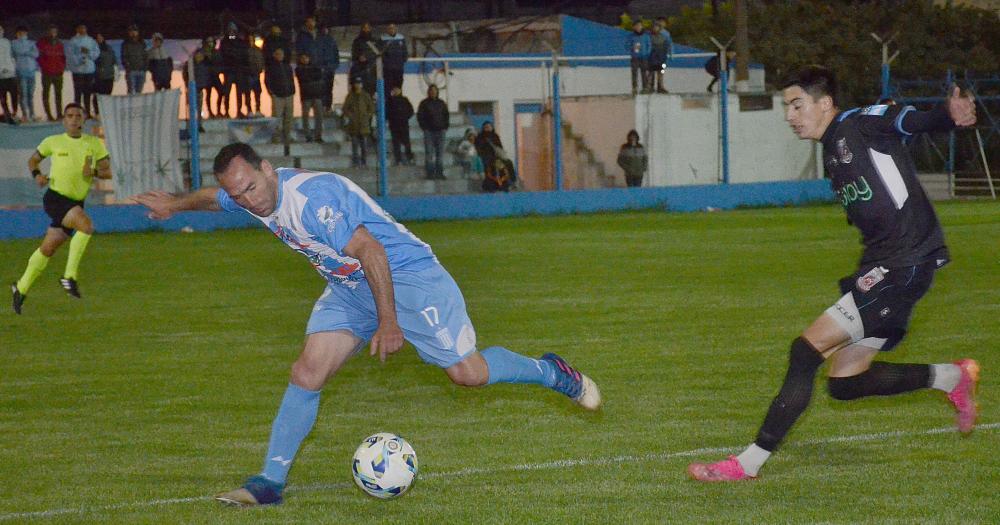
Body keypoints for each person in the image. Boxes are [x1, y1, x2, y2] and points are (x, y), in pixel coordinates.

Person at [132, 142, 601, 506]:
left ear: (269, 169)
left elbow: (372, 251)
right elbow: (216, 199)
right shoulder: (247, 195)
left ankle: (552, 372)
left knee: (468, 375)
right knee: (307, 372)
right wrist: (176, 203)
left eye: (251, 188)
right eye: (240, 193)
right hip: (351, 289)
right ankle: (269, 483)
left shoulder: (314, 200)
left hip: (408, 279)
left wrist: (390, 323)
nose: (247, 201)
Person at [687, 65, 980, 483]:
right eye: (787, 106)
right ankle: (951, 376)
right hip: (888, 266)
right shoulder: (831, 148)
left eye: (797, 104)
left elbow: (906, 120)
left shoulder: (859, 124)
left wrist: (947, 115)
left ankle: (747, 463)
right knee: (844, 382)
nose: (790, 115)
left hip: (902, 264)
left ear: (824, 104)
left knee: (805, 352)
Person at [11, 103, 112, 314]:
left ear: (84, 120)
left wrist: (92, 171)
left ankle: (20, 288)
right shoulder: (53, 142)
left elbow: (107, 173)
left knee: (48, 249)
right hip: (56, 198)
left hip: (75, 202)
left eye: (78, 116)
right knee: (86, 226)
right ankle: (69, 277)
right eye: (70, 116)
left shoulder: (94, 144)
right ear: (64, 120)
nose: (74, 120)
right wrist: (37, 175)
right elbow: (33, 160)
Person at [417, 84, 448, 180]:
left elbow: (446, 115)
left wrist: (445, 126)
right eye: (431, 91)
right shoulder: (424, 103)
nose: (433, 92)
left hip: (440, 131)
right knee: (429, 153)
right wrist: (424, 127)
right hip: (429, 131)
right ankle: (430, 173)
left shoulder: (441, 103)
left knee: (440, 154)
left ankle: (439, 173)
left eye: (435, 91)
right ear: (428, 92)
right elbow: (420, 116)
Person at [264, 47, 294, 144]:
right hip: (277, 96)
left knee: (288, 117)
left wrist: (293, 90)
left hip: (289, 95)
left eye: (281, 54)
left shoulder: (287, 66)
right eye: (278, 54)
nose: (280, 56)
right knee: (276, 118)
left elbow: (291, 79)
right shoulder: (270, 67)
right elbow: (267, 81)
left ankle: (287, 136)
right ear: (274, 55)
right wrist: (272, 93)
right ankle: (276, 138)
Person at [342, 77, 375, 167]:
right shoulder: (350, 96)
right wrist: (351, 116)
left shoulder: (366, 95)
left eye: (359, 83)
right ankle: (356, 162)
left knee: (364, 146)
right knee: (355, 146)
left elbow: (371, 108)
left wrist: (367, 116)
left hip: (364, 125)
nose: (358, 85)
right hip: (354, 125)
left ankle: (364, 162)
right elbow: (345, 108)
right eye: (356, 83)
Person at [67, 24, 99, 116]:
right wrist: (79, 60)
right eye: (80, 28)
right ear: (77, 29)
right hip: (78, 71)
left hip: (89, 70)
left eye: (84, 28)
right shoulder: (73, 41)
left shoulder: (91, 40)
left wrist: (88, 53)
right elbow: (70, 54)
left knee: (87, 93)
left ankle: (87, 112)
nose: (82, 30)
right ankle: (77, 113)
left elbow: (96, 53)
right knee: (78, 93)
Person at [37, 25, 66, 120]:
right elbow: (38, 57)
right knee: (46, 93)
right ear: (48, 32)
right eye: (51, 31)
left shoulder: (60, 43)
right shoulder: (41, 43)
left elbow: (63, 57)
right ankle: (48, 114)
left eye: (54, 31)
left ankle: (59, 113)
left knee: (58, 94)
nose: (53, 33)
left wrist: (62, 67)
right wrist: (44, 66)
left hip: (58, 72)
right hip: (47, 73)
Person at [295, 52, 324, 143]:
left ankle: (318, 135)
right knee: (305, 117)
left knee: (319, 116)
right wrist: (313, 77)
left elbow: (319, 76)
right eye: (302, 58)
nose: (304, 60)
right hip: (306, 96)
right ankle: (308, 135)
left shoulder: (315, 67)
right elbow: (304, 78)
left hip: (316, 95)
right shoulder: (298, 69)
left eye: (306, 58)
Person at [12, 27, 38, 122]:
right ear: (17, 34)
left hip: (31, 71)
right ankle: (24, 114)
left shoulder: (31, 43)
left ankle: (32, 114)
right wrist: (28, 52)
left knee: (30, 94)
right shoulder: (14, 43)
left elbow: (36, 54)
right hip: (20, 71)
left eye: (23, 32)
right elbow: (15, 53)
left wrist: (25, 52)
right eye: (20, 33)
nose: (22, 34)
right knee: (23, 94)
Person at [315, 23, 340, 115]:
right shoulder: (317, 41)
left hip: (330, 69)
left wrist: (334, 66)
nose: (325, 30)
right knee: (322, 89)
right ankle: (322, 109)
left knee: (329, 89)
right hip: (322, 70)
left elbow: (336, 54)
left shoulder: (331, 40)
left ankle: (328, 108)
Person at [386, 85, 414, 165]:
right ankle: (398, 159)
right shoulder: (390, 101)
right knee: (396, 143)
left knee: (406, 142)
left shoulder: (405, 100)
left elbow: (410, 111)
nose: (396, 91)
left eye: (397, 89)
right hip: (394, 125)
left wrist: (404, 117)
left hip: (403, 124)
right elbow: (387, 112)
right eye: (394, 89)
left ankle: (409, 158)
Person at [92, 34, 117, 116]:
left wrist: (115, 70)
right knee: (98, 96)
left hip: (109, 76)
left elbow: (114, 59)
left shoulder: (109, 48)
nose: (99, 39)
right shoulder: (93, 48)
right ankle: (98, 112)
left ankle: (106, 112)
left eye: (101, 37)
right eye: (97, 38)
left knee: (108, 95)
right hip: (98, 77)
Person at [350, 22, 378, 96]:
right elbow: (354, 55)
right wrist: (359, 58)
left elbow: (377, 55)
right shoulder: (357, 41)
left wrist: (368, 58)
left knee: (371, 93)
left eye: (368, 28)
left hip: (371, 72)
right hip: (360, 71)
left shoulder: (374, 41)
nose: (366, 29)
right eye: (364, 28)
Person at [380, 23, 407, 91]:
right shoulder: (383, 39)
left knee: (398, 86)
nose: (392, 30)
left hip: (399, 68)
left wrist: (403, 59)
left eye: (393, 28)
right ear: (387, 30)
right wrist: (386, 62)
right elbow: (381, 53)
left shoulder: (401, 38)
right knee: (388, 87)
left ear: (396, 29)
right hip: (388, 69)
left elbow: (404, 51)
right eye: (390, 28)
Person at [647, 20, 672, 94]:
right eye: (654, 27)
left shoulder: (664, 37)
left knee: (661, 72)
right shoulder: (648, 36)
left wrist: (670, 55)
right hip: (652, 58)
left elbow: (668, 46)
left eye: (657, 27)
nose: (655, 28)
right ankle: (649, 87)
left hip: (662, 58)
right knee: (650, 72)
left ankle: (661, 87)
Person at [121, 25, 148, 95]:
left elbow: (146, 56)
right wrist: (128, 67)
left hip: (141, 71)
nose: (133, 33)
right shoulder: (125, 44)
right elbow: (123, 57)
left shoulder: (142, 43)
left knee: (139, 93)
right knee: (131, 92)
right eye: (131, 31)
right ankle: (130, 105)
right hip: (131, 72)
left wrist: (144, 68)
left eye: (135, 31)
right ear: (129, 33)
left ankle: (138, 105)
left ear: (138, 32)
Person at [0, 25, 18, 124]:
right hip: (1, 76)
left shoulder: (7, 42)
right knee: (3, 97)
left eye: (1, 30)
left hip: (11, 74)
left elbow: (10, 55)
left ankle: (14, 113)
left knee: (14, 95)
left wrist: (12, 67)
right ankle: (7, 115)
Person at [627, 21, 650, 95]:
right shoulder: (631, 36)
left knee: (644, 72)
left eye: (640, 26)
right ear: (634, 27)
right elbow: (626, 46)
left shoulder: (646, 36)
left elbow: (649, 46)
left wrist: (647, 53)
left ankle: (645, 87)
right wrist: (632, 47)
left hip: (644, 57)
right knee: (634, 72)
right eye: (636, 26)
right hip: (635, 57)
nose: (638, 27)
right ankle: (634, 88)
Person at [245, 33, 264, 117]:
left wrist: (260, 69)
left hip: (256, 74)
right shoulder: (245, 50)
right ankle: (249, 110)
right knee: (248, 93)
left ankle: (258, 110)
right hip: (248, 74)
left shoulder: (258, 49)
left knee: (257, 93)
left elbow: (261, 60)